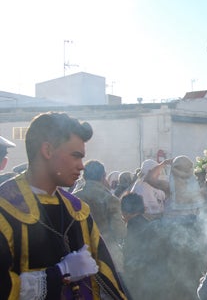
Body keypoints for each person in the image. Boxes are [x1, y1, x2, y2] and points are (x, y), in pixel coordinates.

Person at [0, 112, 126, 299]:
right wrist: (58, 274)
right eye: (75, 156)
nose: (82, 166)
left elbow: (109, 278)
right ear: (48, 150)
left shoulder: (77, 210)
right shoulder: (5, 207)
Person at [72, 160, 126, 272]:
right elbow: (120, 231)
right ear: (103, 176)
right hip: (107, 253)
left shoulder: (74, 198)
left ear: (84, 176)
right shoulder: (110, 199)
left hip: (79, 255)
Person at [120, 192, 161, 299]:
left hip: (140, 278)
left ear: (125, 211)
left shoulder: (132, 226)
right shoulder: (146, 223)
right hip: (156, 276)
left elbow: (130, 256)